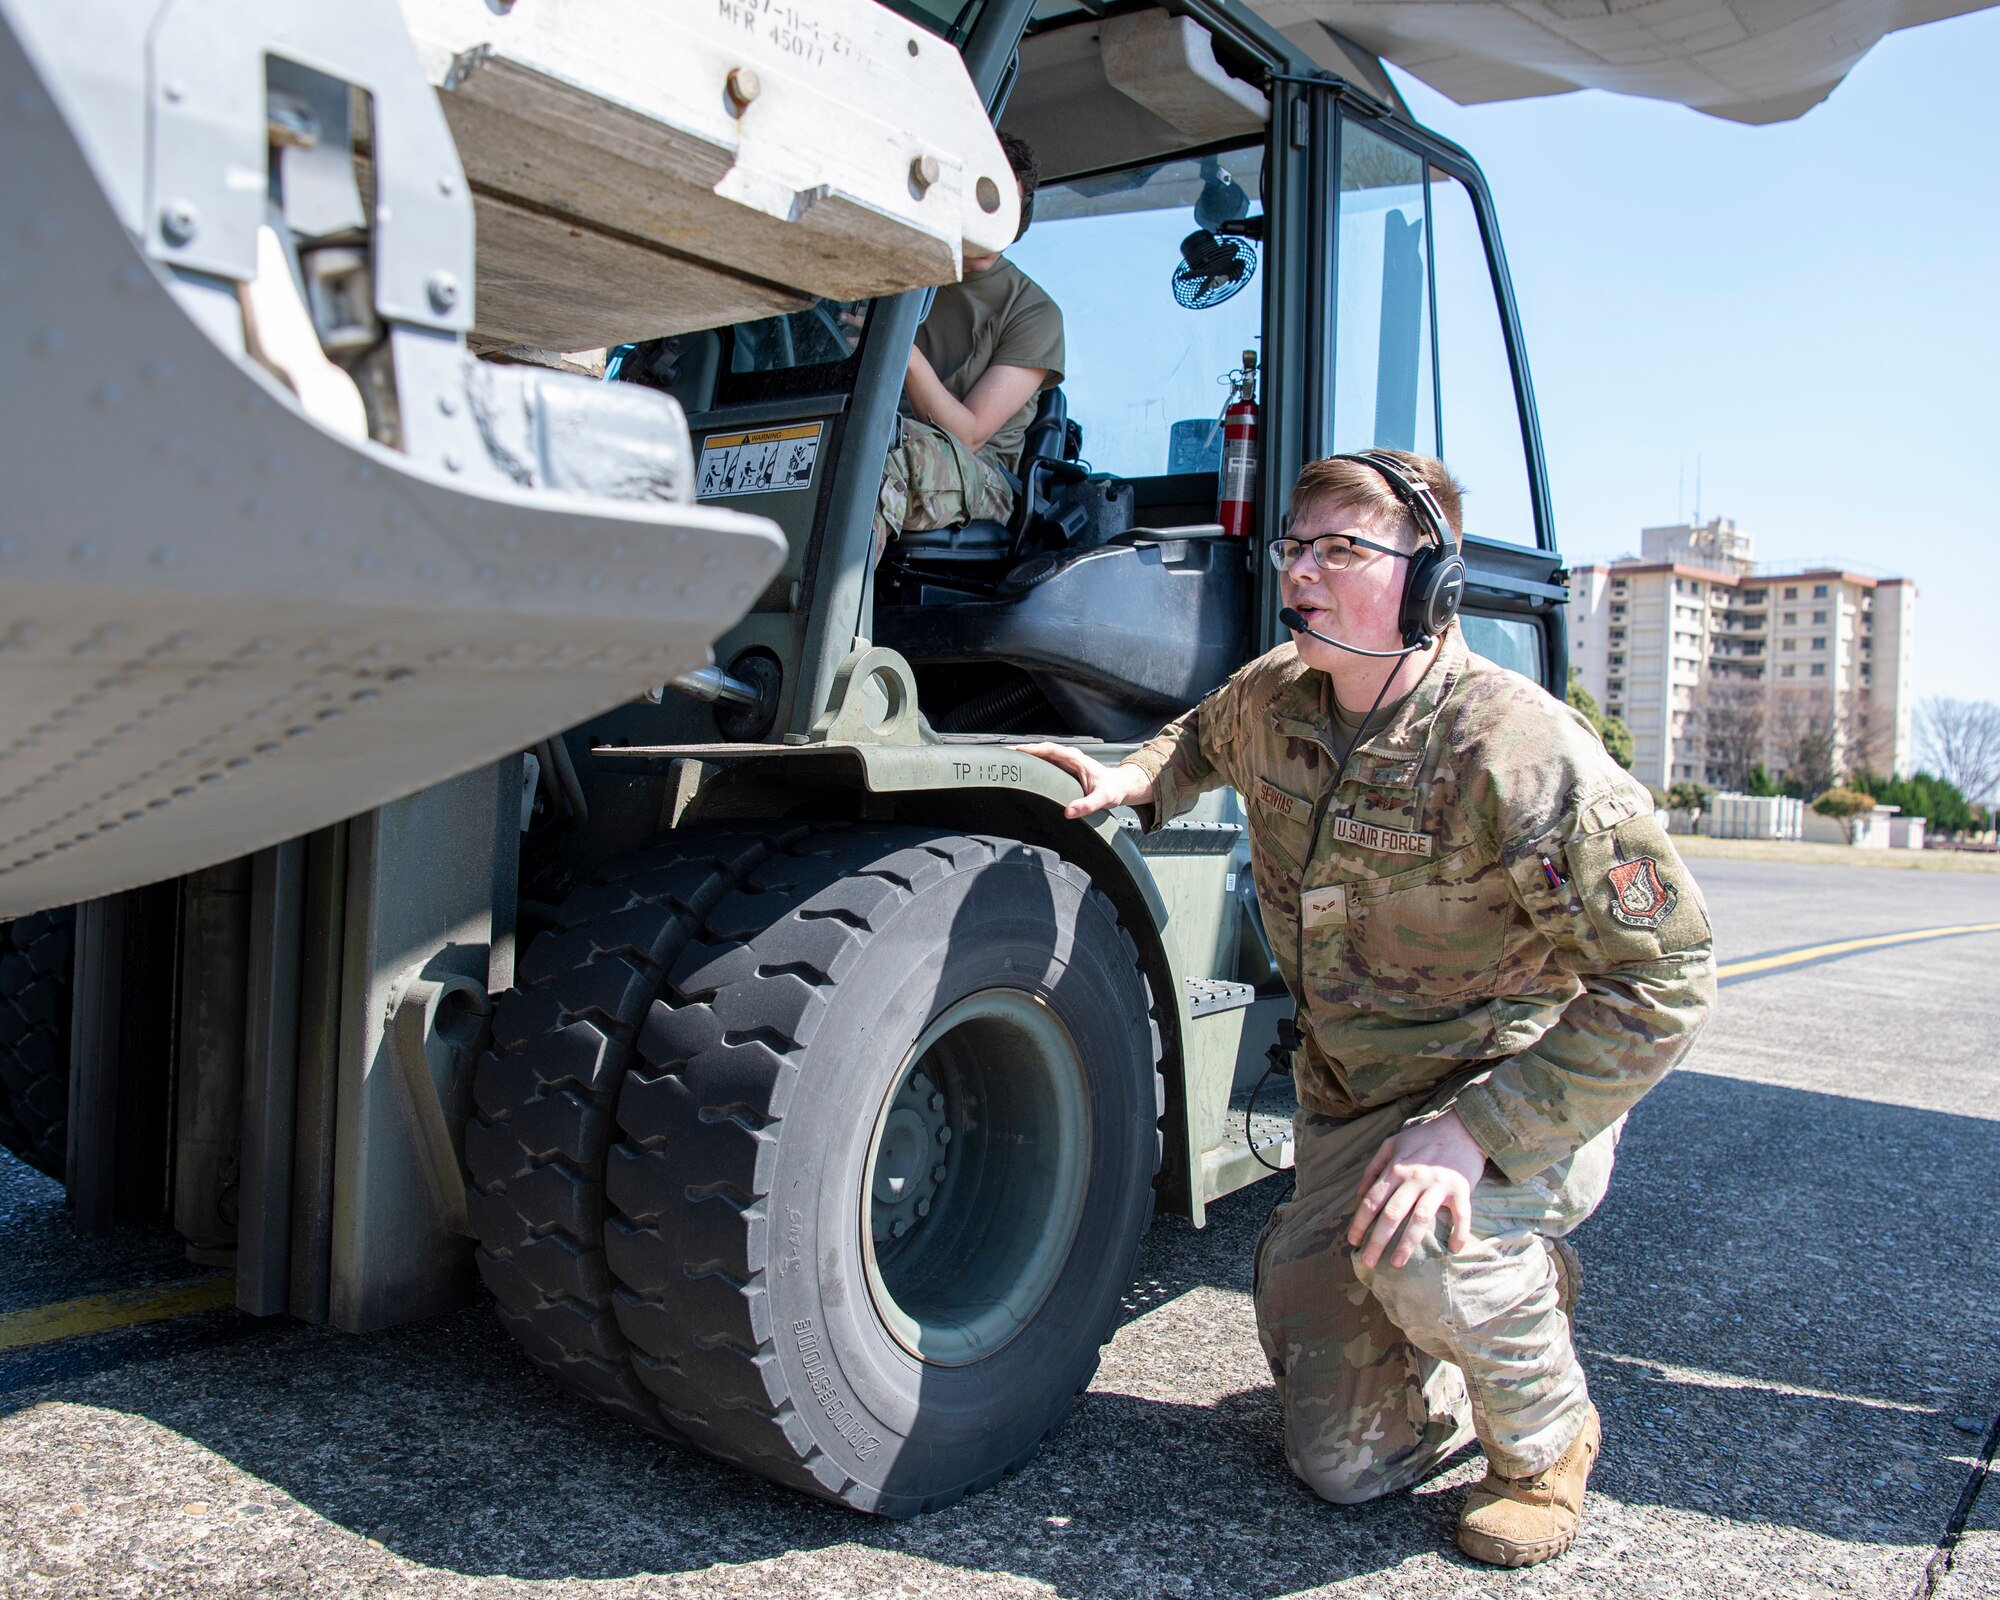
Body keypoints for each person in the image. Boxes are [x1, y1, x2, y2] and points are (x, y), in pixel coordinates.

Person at [1017, 451, 1714, 1568]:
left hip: (1504, 1086)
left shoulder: (1514, 751)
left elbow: (1667, 978)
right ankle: (1463, 1309)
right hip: (1355, 1103)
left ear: (1431, 583)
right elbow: (1199, 737)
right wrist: (1139, 777)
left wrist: (1476, 1130)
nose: (1302, 573)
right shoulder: (1275, 696)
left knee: (1431, 1257)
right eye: (1296, 549)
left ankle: (1542, 1441)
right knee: (1340, 1466)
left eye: (1342, 550)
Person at [873, 133, 1064, 558]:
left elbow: (969, 435)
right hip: (882, 433)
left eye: (1002, 207)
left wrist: (895, 346)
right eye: (978, 199)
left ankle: (833, 617)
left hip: (982, 477)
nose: (988, 218)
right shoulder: (897, 278)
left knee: (878, 464)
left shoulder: (1032, 310)